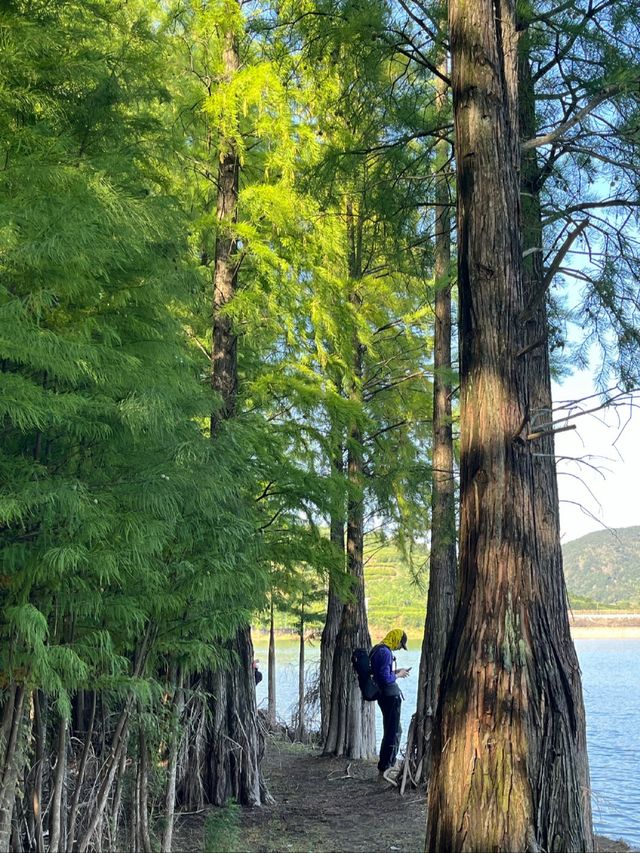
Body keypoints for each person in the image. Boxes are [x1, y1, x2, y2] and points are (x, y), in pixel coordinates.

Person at [370, 629, 410, 781]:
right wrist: (398, 674)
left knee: (392, 729)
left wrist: (396, 671)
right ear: (396, 639)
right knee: (393, 731)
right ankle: (387, 764)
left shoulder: (377, 649)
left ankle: (386, 762)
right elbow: (386, 678)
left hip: (383, 695)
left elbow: (381, 673)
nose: (400, 647)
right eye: (401, 644)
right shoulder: (385, 652)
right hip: (390, 696)